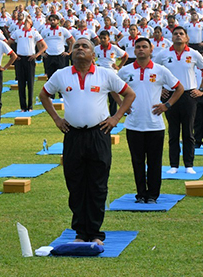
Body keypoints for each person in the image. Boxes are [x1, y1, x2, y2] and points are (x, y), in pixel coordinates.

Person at [38, 38, 135, 244]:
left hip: (98, 134)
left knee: (97, 184)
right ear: (71, 53)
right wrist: (56, 119)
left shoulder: (106, 74)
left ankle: (95, 232)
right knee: (75, 183)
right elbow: (44, 95)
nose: (80, 49)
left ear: (94, 54)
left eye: (85, 46)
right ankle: (80, 233)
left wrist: (116, 118)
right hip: (72, 135)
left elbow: (129, 94)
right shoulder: (61, 75)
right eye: (76, 47)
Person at [118, 38, 183, 204]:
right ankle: (140, 194)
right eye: (138, 47)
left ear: (151, 50)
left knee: (154, 162)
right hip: (133, 124)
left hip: (155, 124)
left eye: (144, 47)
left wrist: (167, 105)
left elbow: (179, 88)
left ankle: (153, 195)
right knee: (137, 161)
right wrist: (122, 104)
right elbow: (112, 87)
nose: (141, 49)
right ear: (134, 50)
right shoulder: (125, 71)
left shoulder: (160, 70)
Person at [154, 26, 203, 174]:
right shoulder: (163, 54)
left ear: (187, 38)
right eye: (175, 34)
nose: (178, 36)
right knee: (173, 131)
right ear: (171, 37)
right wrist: (160, 89)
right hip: (170, 95)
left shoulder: (194, 53)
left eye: (181, 34)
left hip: (188, 95)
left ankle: (189, 164)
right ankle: (174, 165)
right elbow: (153, 71)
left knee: (188, 131)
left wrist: (201, 90)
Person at [8, 18, 46, 112]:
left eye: (28, 22)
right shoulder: (17, 32)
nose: (26, 24)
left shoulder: (34, 32)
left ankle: (30, 106)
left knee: (30, 83)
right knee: (21, 84)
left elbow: (44, 46)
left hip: (30, 59)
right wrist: (14, 54)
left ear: (31, 24)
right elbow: (8, 43)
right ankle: (22, 106)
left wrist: (36, 55)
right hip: (20, 59)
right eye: (25, 22)